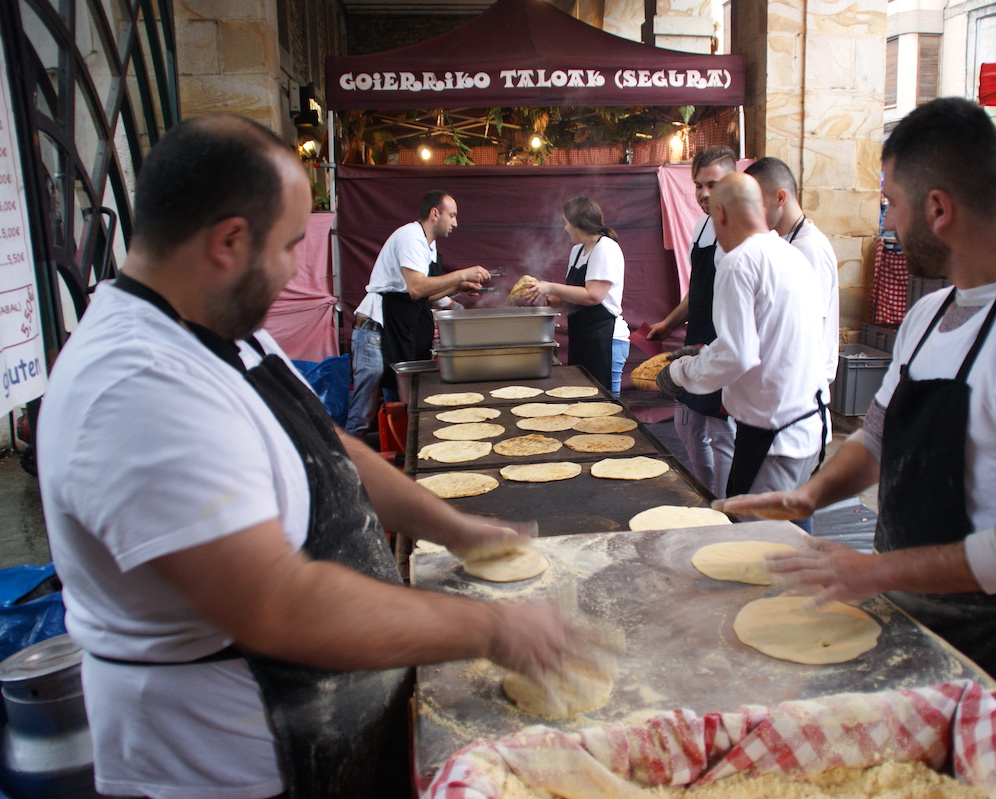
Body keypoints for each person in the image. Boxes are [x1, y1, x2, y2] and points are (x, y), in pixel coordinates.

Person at [36, 116, 577, 799]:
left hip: (326, 729)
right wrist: (494, 628)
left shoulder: (223, 333)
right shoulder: (135, 386)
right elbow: (278, 604)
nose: (296, 268)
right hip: (237, 768)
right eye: (291, 245)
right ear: (229, 241)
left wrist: (456, 528)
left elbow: (328, 448)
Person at [717, 99, 996, 732]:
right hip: (909, 622)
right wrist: (810, 495)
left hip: (995, 657)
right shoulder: (929, 315)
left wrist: (876, 570)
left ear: (938, 209)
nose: (885, 220)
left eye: (890, 203)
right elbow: (879, 435)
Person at [656, 173, 828, 531]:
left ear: (720, 213)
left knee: (758, 542)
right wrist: (704, 353)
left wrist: (680, 373)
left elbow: (739, 354)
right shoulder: (791, 254)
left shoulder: (738, 262)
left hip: (773, 435)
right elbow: (767, 338)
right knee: (793, 532)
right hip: (808, 424)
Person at [345, 191, 489, 438]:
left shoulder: (429, 245)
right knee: (363, 412)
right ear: (435, 213)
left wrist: (458, 287)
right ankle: (343, 459)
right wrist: (462, 274)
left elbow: (425, 296)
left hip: (395, 331)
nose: (455, 223)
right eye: (452, 215)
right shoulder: (411, 237)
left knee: (397, 408)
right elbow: (417, 288)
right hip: (375, 331)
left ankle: (397, 454)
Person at [645, 146, 738, 497]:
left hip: (723, 348)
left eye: (712, 184)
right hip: (694, 345)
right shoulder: (701, 226)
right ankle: (705, 492)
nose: (703, 193)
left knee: (723, 434)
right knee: (687, 428)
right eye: (698, 185)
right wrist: (669, 324)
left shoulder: (739, 233)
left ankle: (725, 506)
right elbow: (696, 292)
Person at [744, 157, 840, 394]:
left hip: (799, 388)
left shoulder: (810, 248)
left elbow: (808, 329)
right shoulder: (780, 242)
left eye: (755, 202)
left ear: (780, 198)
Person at [522, 197, 629, 394]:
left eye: (566, 222)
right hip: (583, 338)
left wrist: (550, 287)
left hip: (606, 339)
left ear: (578, 224)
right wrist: (545, 296)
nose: (565, 228)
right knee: (583, 398)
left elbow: (593, 296)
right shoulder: (577, 251)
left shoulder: (605, 247)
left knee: (606, 402)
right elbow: (575, 295)